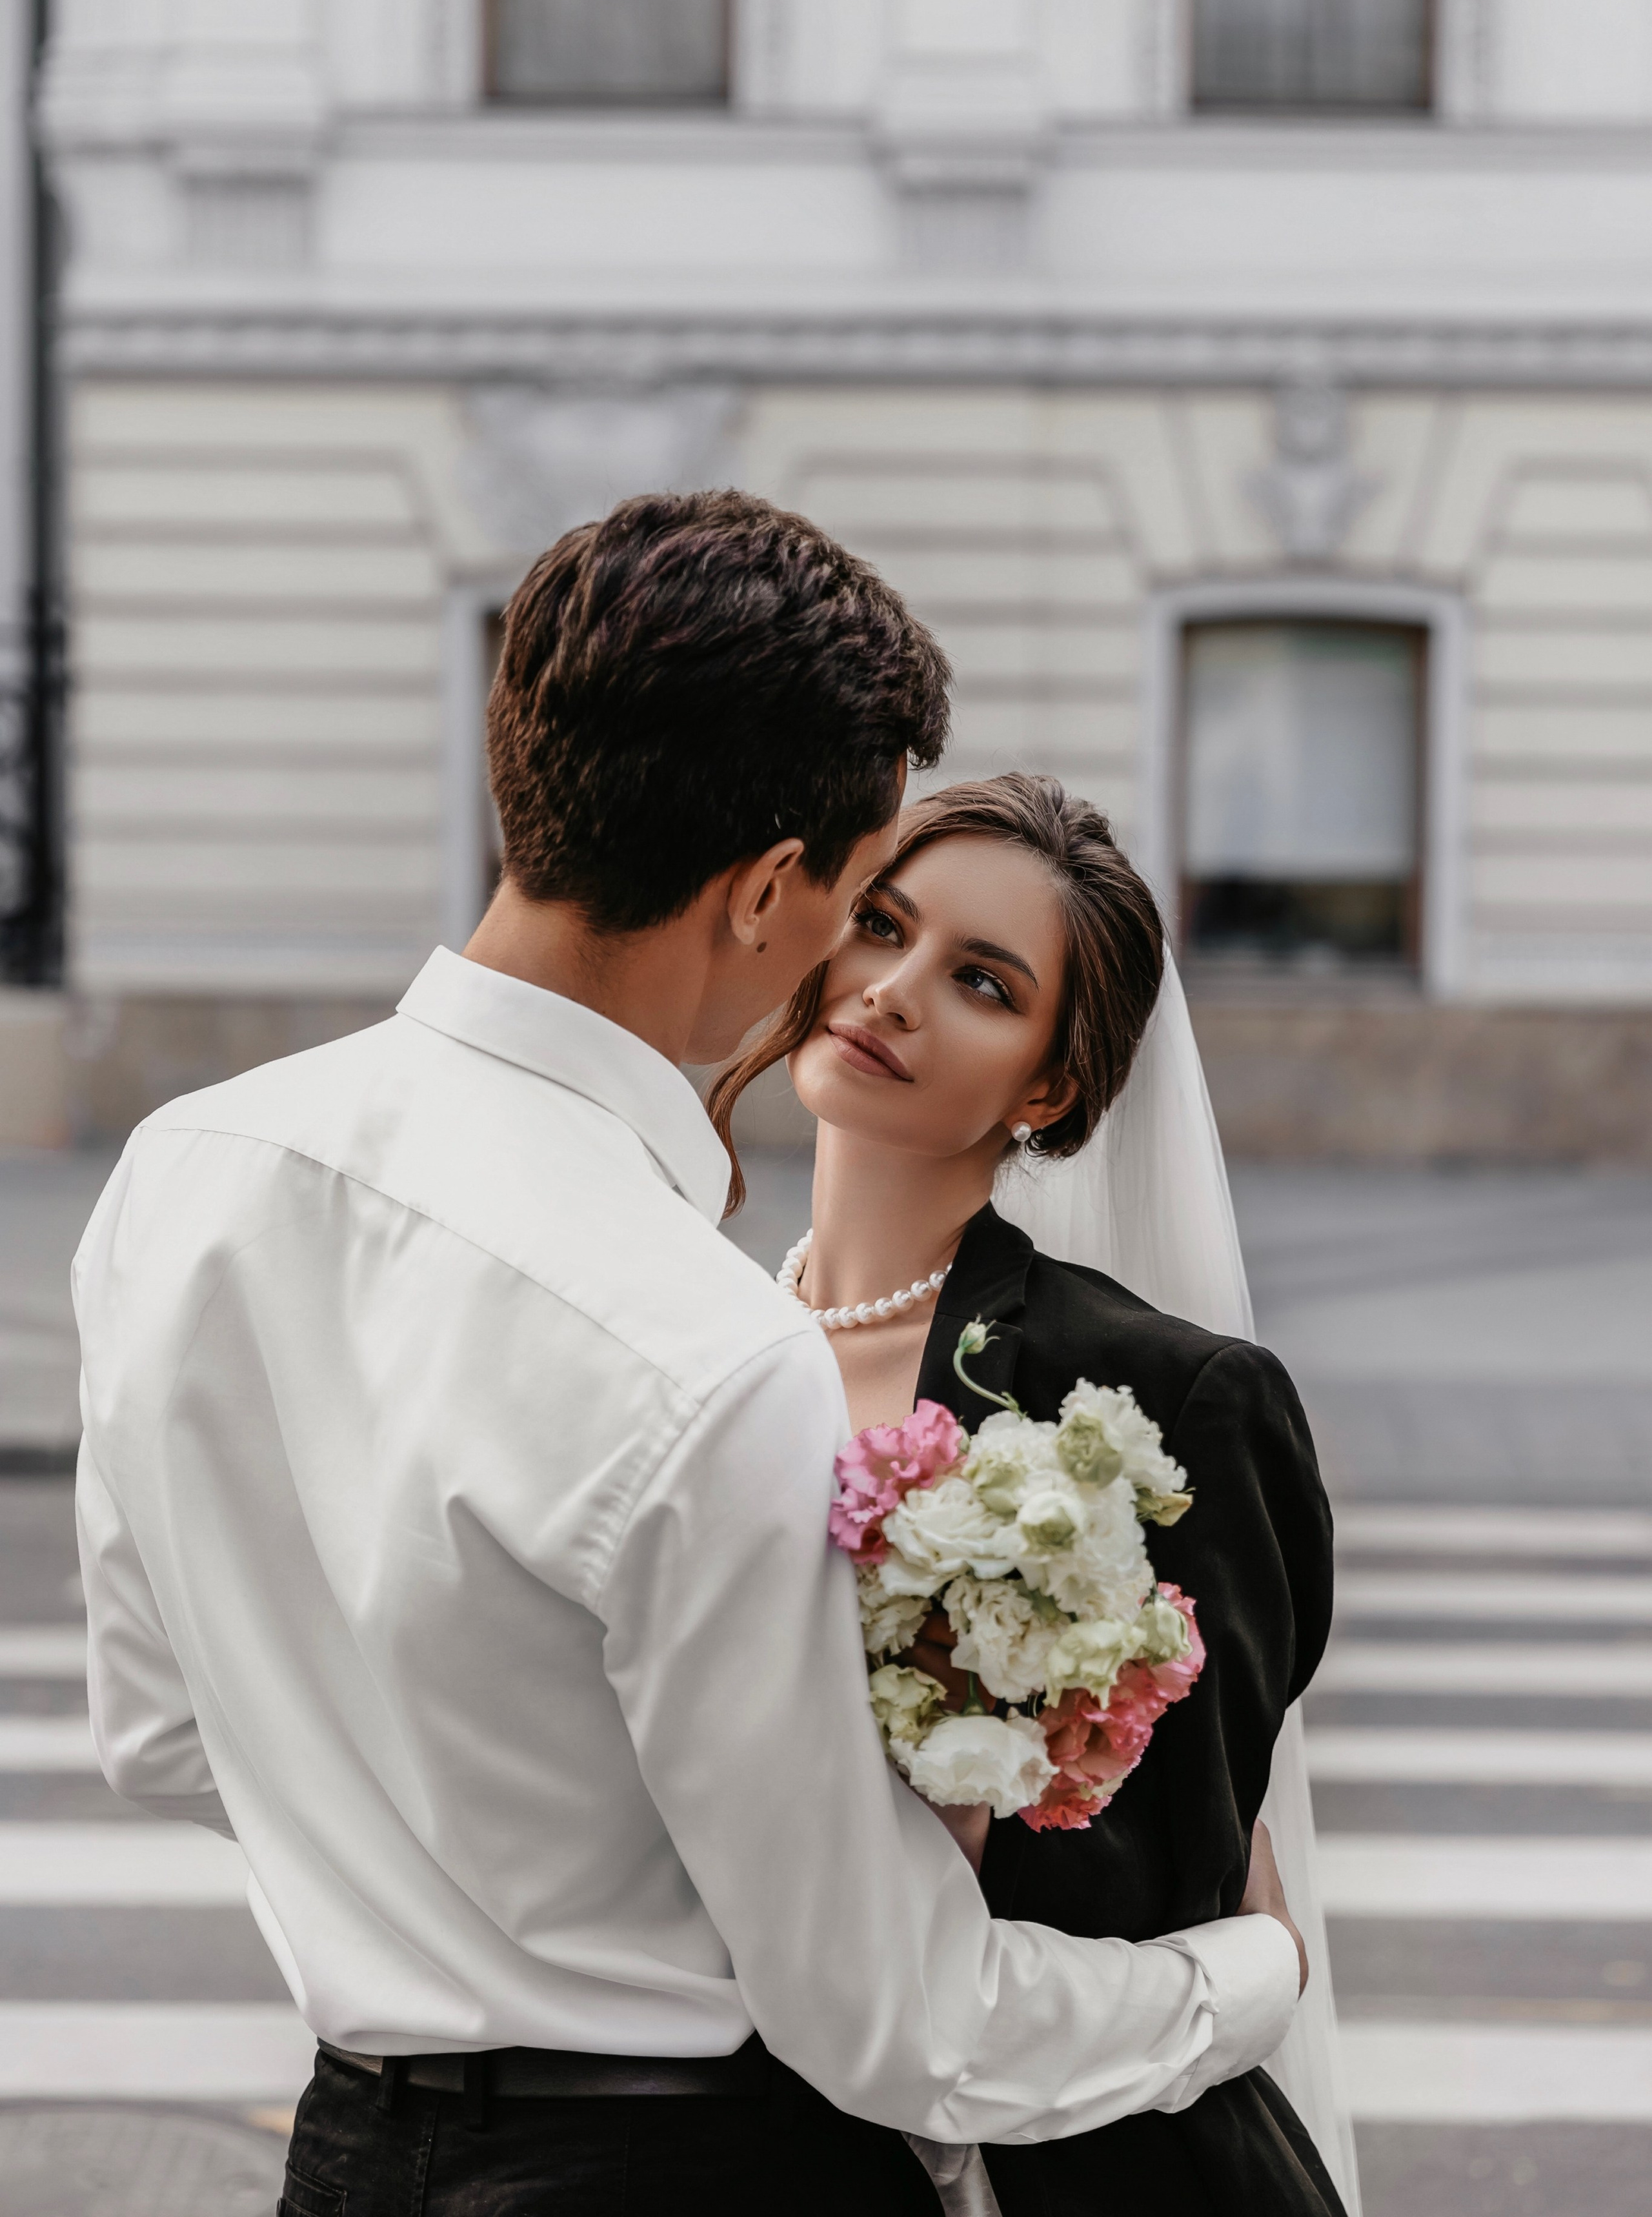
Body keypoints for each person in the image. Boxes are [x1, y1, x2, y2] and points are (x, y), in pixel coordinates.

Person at [73, 493, 1305, 2217]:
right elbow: (896, 2026)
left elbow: (153, 1733)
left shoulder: (187, 1167)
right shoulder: (705, 1352)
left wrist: (430, 1858)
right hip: (689, 2169)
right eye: (862, 902)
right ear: (767, 892)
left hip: (352, 2157)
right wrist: (1242, 1982)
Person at [710, 770, 1349, 2217]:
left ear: (1049, 1086)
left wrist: (968, 1796)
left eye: (981, 983)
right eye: (879, 926)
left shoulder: (1167, 1403)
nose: (890, 992)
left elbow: (1185, 1885)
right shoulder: (694, 1332)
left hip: (1069, 2170)